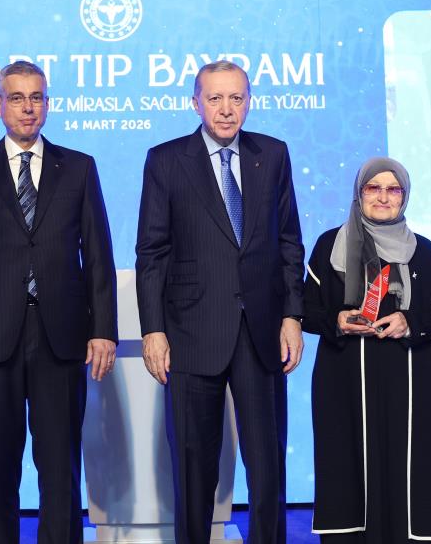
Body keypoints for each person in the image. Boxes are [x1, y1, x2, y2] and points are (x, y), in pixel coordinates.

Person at [0, 60, 117, 544]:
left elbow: (98, 255)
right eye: (16, 98)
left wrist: (103, 329)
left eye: (36, 97)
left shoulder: (78, 167)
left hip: (62, 337)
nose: (27, 107)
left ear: (47, 104)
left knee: (60, 468)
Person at [135, 60, 305, 544]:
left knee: (268, 468)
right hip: (191, 332)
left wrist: (292, 315)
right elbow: (151, 252)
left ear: (249, 102)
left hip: (261, 331)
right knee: (193, 468)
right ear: (196, 103)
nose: (226, 109)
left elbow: (289, 241)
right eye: (215, 98)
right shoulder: (166, 160)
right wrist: (153, 329)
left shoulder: (272, 154)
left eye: (236, 98)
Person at [304, 157, 431, 543]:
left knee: (411, 472)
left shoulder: (422, 251)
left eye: (394, 189)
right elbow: (306, 311)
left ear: (405, 197)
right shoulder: (329, 246)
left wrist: (410, 322)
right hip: (345, 381)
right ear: (359, 194)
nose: (383, 197)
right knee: (348, 468)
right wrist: (337, 319)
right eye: (373, 188)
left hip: (410, 384)